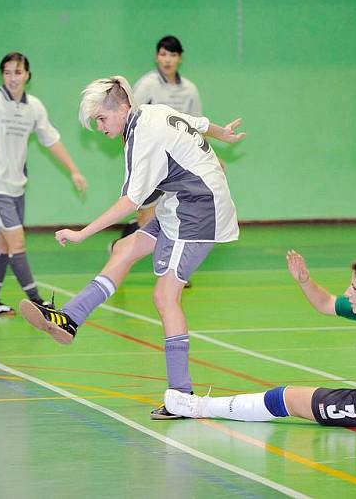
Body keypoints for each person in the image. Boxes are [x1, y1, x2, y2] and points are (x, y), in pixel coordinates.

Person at [19, 76, 245, 419]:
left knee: (165, 295)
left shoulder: (143, 134)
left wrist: (83, 233)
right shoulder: (153, 113)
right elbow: (198, 124)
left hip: (200, 211)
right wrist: (222, 134)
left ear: (123, 108)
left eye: (101, 119)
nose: (99, 127)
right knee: (122, 249)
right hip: (179, 206)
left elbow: (129, 203)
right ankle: (69, 319)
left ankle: (181, 395)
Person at [164, 253, 356, 442]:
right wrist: (304, 281)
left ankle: (200, 407)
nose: (348, 292)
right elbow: (325, 303)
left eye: (354, 288)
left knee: (286, 397)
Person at [0, 52, 87, 316]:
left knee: (3, 244)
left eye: (18, 72)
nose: (13, 78)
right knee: (17, 243)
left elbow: (50, 139)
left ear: (28, 75)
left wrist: (74, 171)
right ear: (1, 75)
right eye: (7, 72)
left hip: (17, 188)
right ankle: (38, 301)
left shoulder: (34, 107)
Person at [112, 35, 205, 246]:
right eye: (163, 54)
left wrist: (207, 156)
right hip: (151, 163)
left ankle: (172, 269)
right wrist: (134, 159)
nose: (167, 60)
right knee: (147, 222)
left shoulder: (189, 90)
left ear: (180, 58)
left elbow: (195, 127)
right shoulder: (147, 85)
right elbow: (129, 121)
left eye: (172, 55)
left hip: (180, 166)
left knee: (176, 216)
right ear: (156, 57)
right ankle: (124, 243)